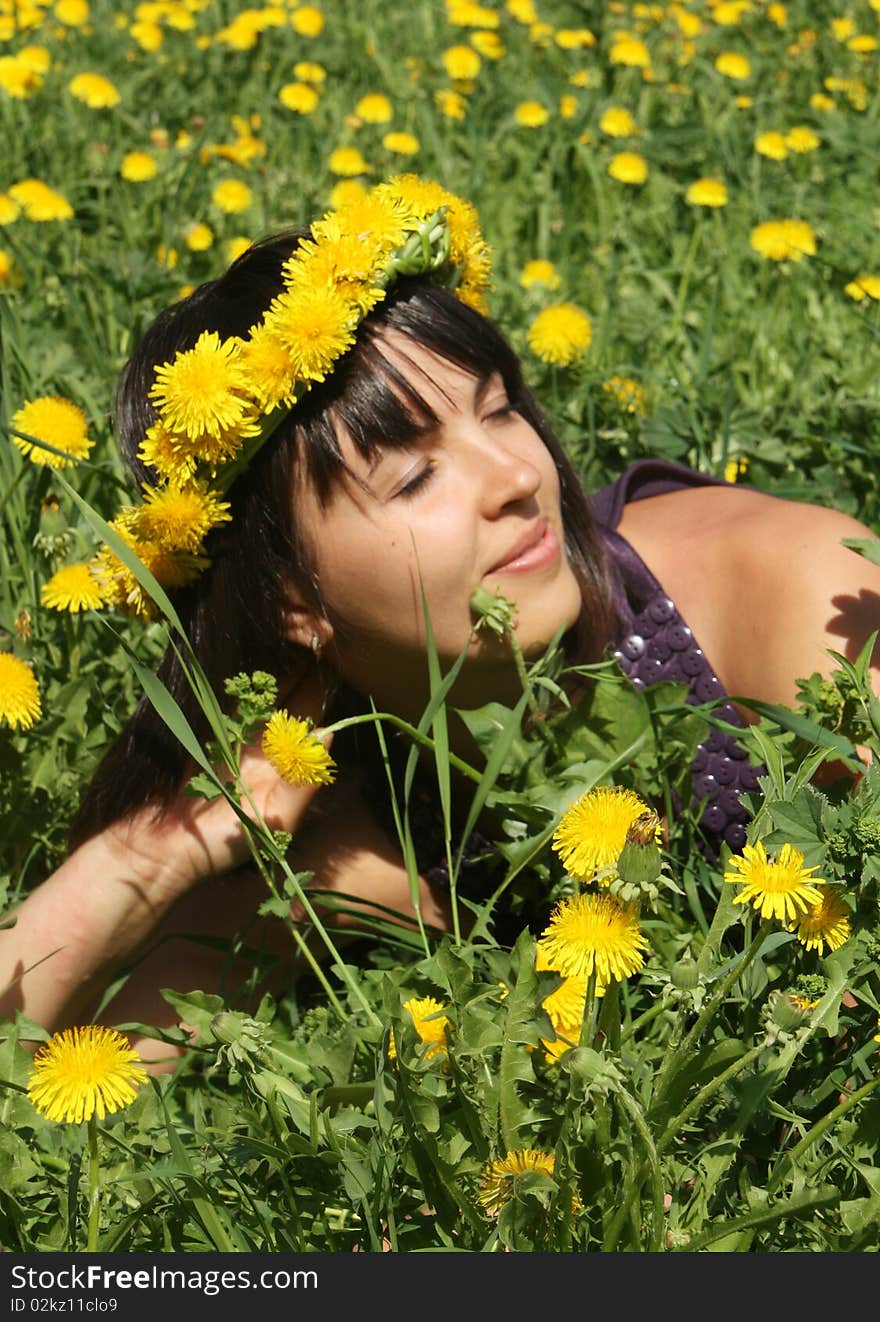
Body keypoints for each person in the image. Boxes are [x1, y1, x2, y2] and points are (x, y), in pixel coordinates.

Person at [2, 176, 879, 1069]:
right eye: (414, 477)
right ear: (291, 603)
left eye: (500, 410)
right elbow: (68, 1090)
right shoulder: (330, 787)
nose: (517, 478)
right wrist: (142, 865)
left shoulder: (813, 614)